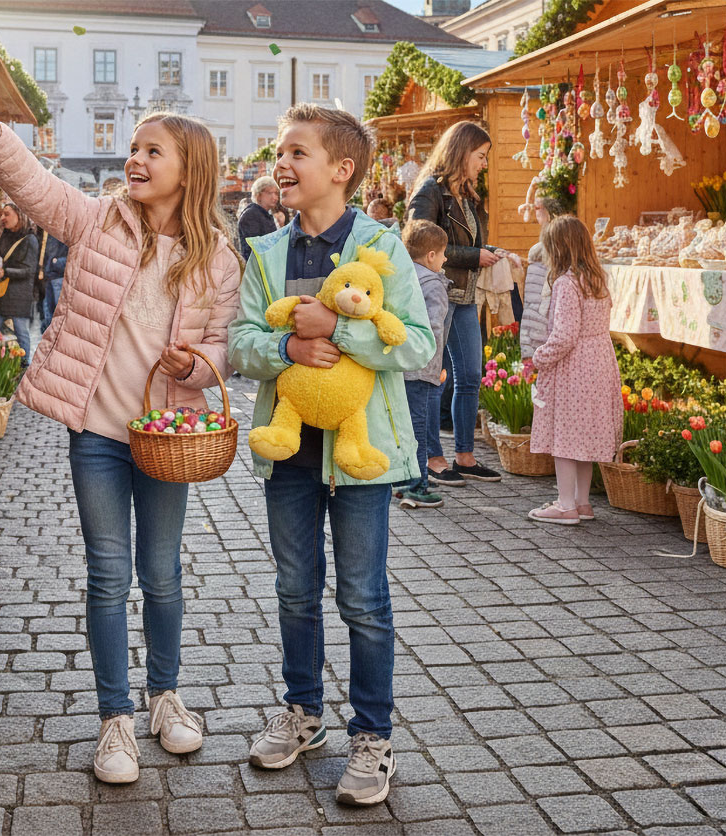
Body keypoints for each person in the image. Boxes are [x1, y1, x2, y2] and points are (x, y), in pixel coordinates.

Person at [0, 85, 242, 785]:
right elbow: (38, 189)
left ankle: (165, 697)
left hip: (167, 433)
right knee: (109, 574)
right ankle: (116, 721)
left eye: (150, 151)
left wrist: (201, 364)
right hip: (99, 434)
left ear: (189, 171)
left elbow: (226, 343)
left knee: (161, 573)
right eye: (133, 148)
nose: (134, 159)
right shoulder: (100, 220)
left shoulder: (217, 257)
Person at [228, 103, 433, 807]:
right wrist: (289, 344)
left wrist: (340, 334)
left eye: (295, 153)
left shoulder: (381, 245)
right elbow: (241, 344)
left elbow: (416, 342)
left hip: (360, 455)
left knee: (364, 598)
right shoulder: (267, 252)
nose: (279, 164)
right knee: (294, 589)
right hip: (289, 452)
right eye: (277, 152)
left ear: (341, 170)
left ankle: (373, 738)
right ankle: (305, 716)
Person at [407, 121, 510, 487]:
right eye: (480, 156)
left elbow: (465, 244)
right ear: (461, 152)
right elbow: (417, 244)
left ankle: (465, 456)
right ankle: (433, 458)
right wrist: (472, 255)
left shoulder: (468, 195)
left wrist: (489, 252)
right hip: (438, 295)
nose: (484, 164)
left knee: (469, 378)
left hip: (465, 296)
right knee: (433, 379)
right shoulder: (430, 191)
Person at [528, 215, 622, 524]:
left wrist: (539, 357)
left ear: (559, 249)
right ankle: (582, 502)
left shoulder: (567, 284)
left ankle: (565, 504)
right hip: (599, 361)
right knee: (584, 436)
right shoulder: (598, 279)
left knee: (565, 436)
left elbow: (565, 336)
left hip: (573, 367)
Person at [398, 219, 453, 510]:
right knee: (418, 428)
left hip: (399, 364)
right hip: (420, 367)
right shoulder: (434, 285)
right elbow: (434, 328)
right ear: (431, 255)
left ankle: (400, 481)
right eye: (443, 254)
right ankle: (417, 486)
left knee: (403, 426)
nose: (445, 260)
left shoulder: (402, 276)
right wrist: (435, 364)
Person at [0, 203, 39, 363]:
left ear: (19, 215)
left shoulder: (30, 240)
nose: (3, 218)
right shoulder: (5, 235)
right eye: (2, 214)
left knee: (21, 333)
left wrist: (5, 272)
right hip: (1, 292)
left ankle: (24, 366)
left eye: (7, 214)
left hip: (19, 294)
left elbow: (29, 271)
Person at [520, 197, 568, 360]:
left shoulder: (551, 242)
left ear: (549, 213)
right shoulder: (549, 242)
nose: (534, 211)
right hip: (538, 305)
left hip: (541, 307)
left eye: (537, 207)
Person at [39, 230, 69, 332]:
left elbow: (75, 255)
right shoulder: (48, 229)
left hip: (59, 276)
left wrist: (55, 263)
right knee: (48, 312)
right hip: (49, 276)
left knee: (58, 314)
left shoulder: (65, 228)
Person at [238, 176, 280, 245]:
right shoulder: (251, 215)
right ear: (258, 195)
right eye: (269, 193)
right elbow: (256, 247)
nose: (274, 197)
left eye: (276, 193)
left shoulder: (265, 214)